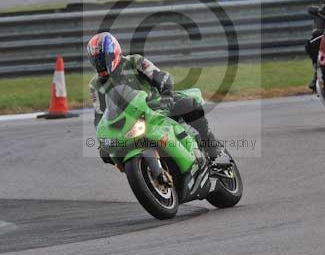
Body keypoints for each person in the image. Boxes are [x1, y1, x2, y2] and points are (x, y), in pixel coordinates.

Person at [87, 32, 230, 165]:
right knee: (107, 154)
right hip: (128, 122)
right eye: (97, 61)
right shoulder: (95, 84)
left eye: (103, 59)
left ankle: (214, 150)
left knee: (189, 104)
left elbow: (160, 76)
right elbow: (100, 115)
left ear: (114, 52)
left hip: (156, 105)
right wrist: (102, 140)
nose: (100, 64)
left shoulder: (134, 61)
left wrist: (167, 94)